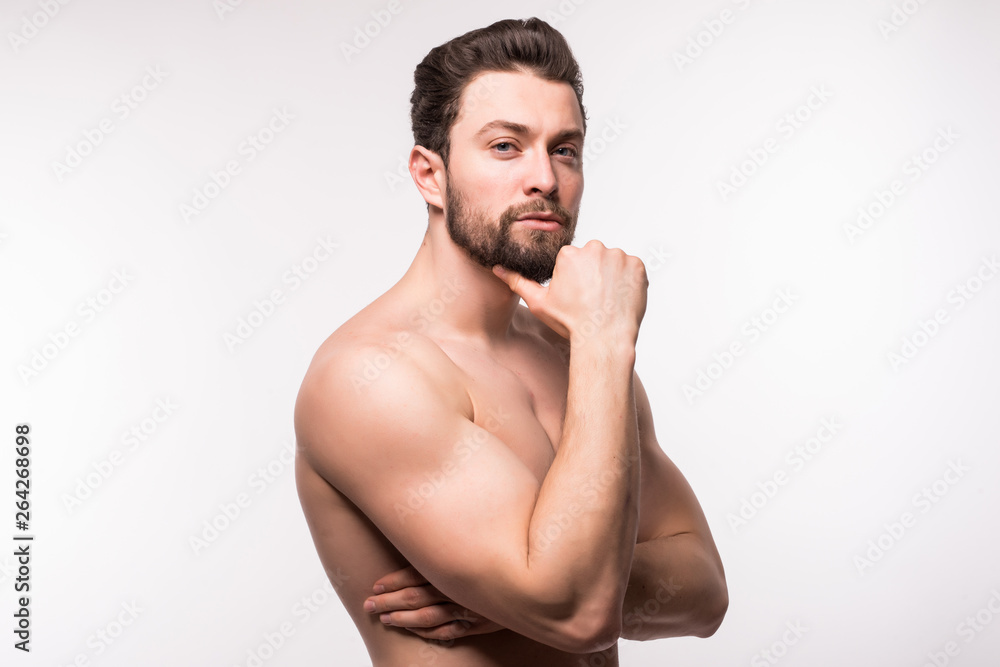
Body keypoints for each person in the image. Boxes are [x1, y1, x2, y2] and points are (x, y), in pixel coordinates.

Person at [294, 17, 727, 666]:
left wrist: (512, 597)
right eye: (505, 146)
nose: (545, 179)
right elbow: (579, 612)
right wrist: (551, 595)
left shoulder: (575, 350)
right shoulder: (371, 373)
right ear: (429, 175)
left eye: (565, 149)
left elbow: (704, 592)